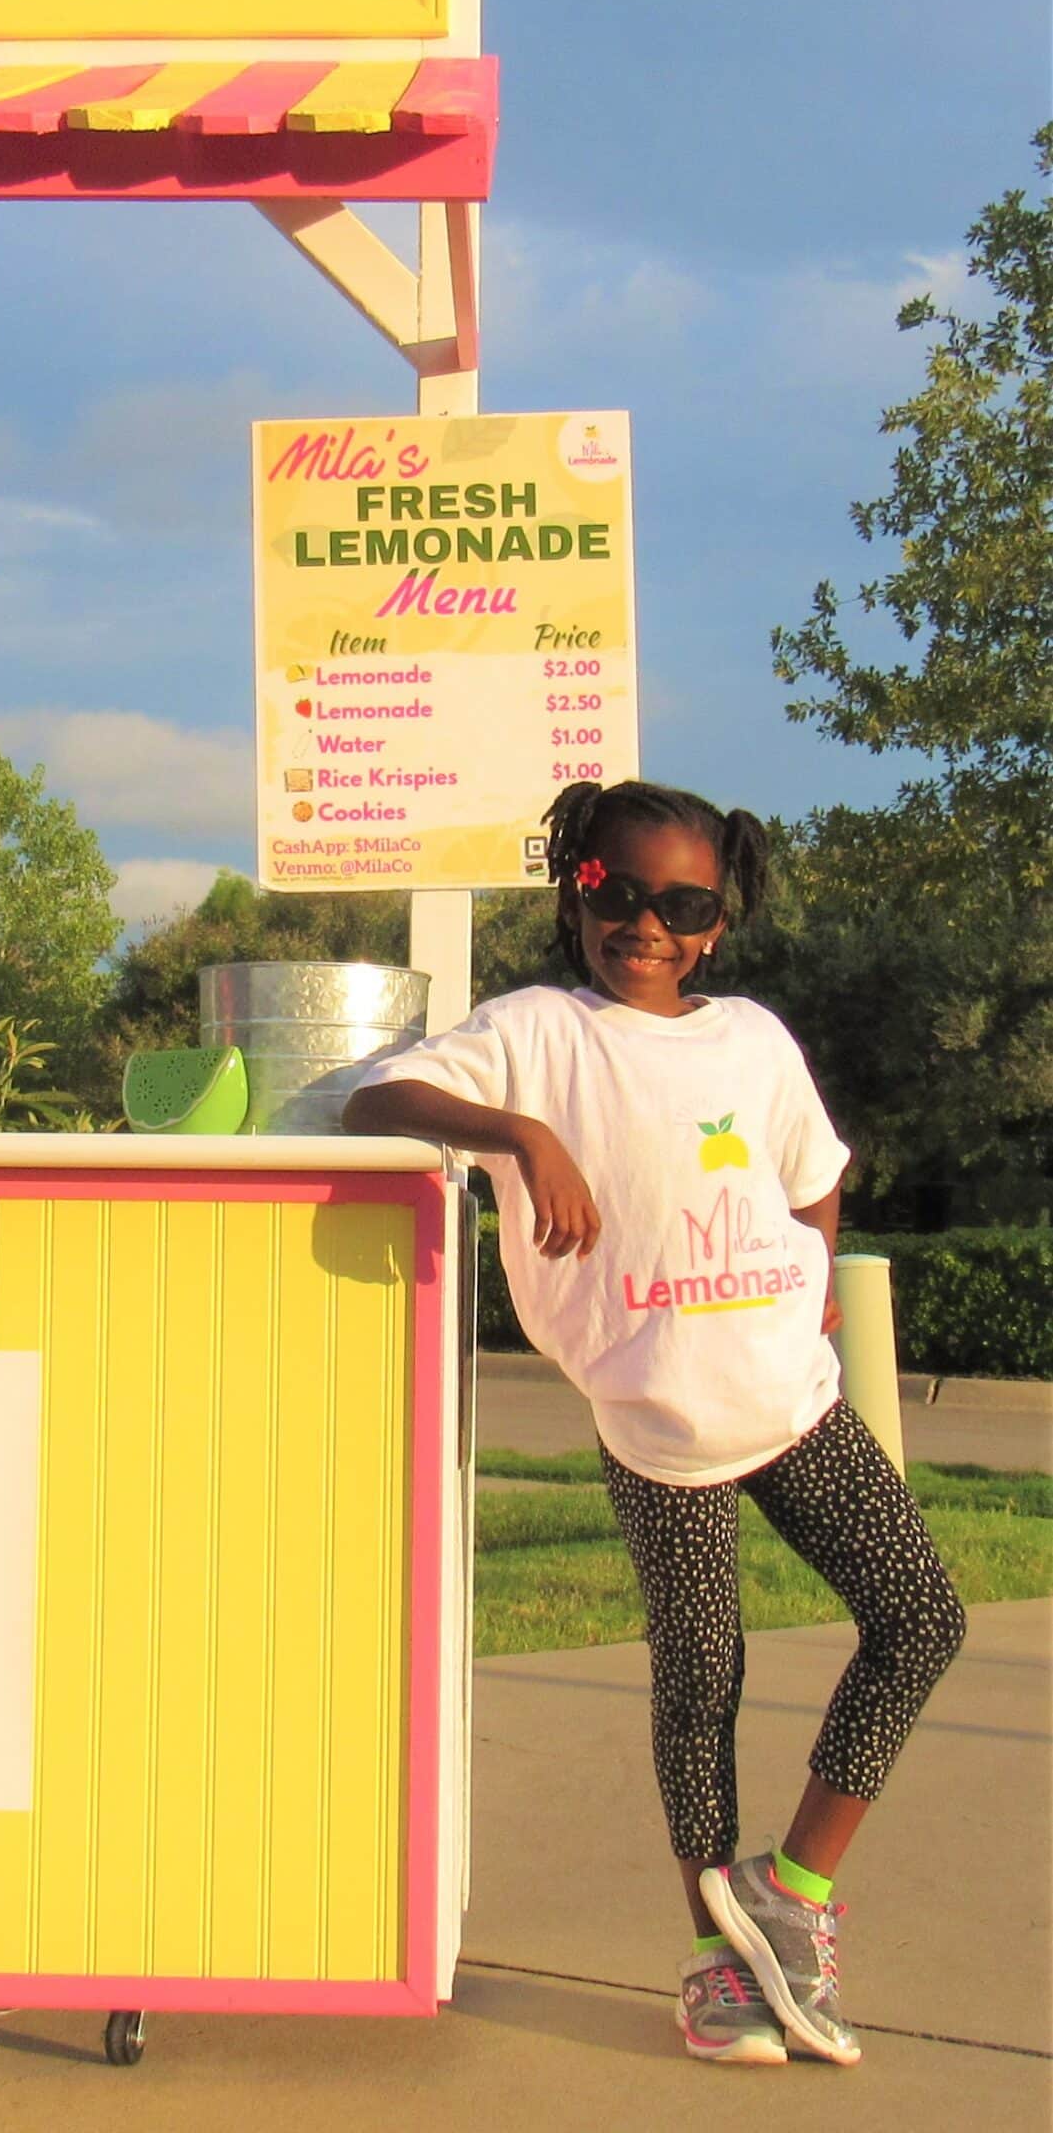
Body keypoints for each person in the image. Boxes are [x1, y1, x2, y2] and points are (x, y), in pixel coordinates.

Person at [342, 779, 965, 2068]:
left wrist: (810, 1307)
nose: (646, 925)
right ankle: (715, 1967)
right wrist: (517, 1133)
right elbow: (377, 1102)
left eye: (682, 904)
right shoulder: (533, 1034)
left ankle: (790, 1899)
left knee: (921, 1620)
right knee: (701, 1679)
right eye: (617, 894)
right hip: (654, 1418)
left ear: (717, 921)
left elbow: (817, 1178)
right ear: (578, 891)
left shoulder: (752, 1038)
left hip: (791, 1403)